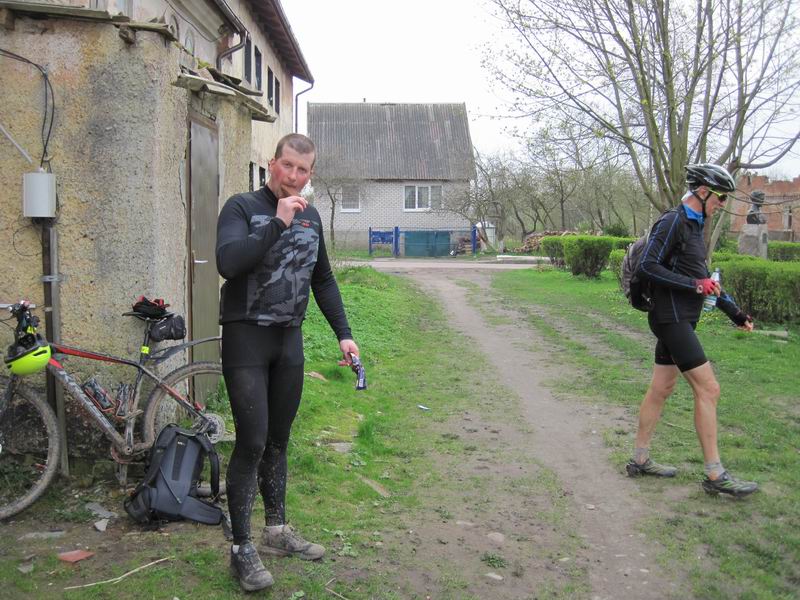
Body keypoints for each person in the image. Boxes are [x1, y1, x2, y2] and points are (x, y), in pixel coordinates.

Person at [216, 133, 360, 592]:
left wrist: (345, 333)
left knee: (278, 440)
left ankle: (276, 531)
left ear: (310, 173)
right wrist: (276, 223)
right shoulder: (241, 208)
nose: (294, 176)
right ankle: (241, 550)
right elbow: (228, 262)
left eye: (303, 170)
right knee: (251, 441)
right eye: (287, 166)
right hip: (246, 339)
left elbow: (324, 280)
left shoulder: (313, 217)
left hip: (287, 342)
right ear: (272, 164)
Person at [625, 163, 758, 498]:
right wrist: (695, 286)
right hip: (670, 318)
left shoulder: (695, 227)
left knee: (661, 388)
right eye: (720, 197)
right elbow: (648, 266)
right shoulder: (674, 221)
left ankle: (640, 459)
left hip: (680, 317)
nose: (722, 204)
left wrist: (735, 313)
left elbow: (704, 279)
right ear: (702, 191)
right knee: (709, 390)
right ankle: (715, 475)